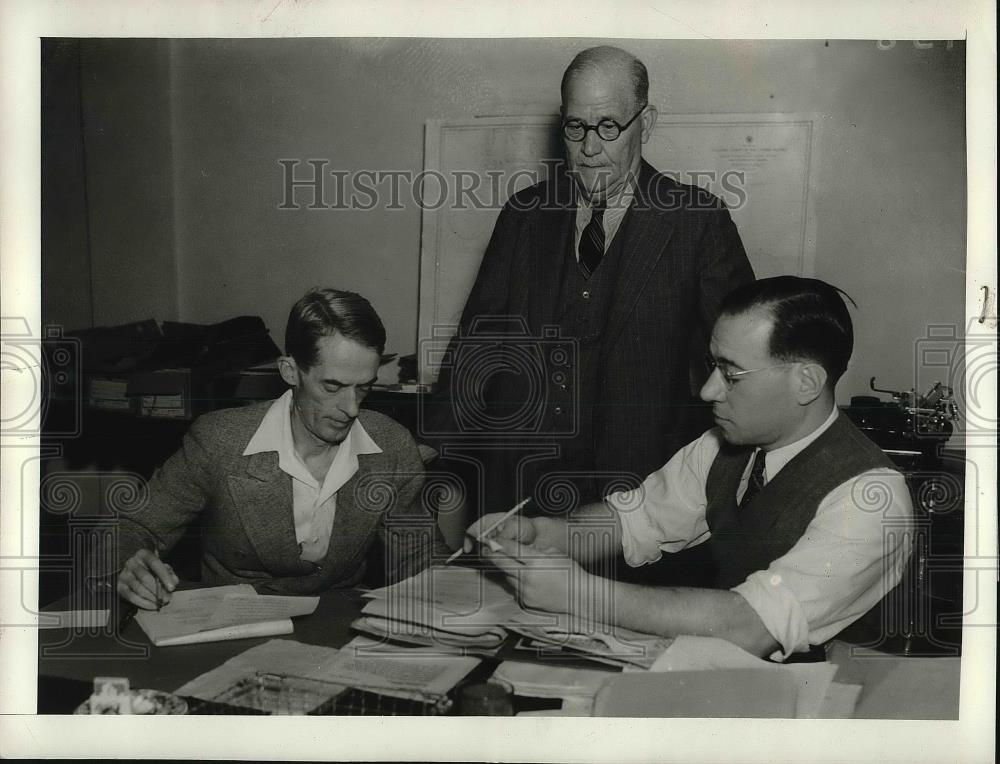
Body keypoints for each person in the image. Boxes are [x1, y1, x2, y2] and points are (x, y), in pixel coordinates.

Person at [465, 277, 913, 660]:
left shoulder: (869, 498)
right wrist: (540, 536)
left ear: (807, 382)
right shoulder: (723, 446)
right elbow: (633, 519)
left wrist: (582, 595)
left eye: (731, 373)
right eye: (712, 365)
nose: (708, 390)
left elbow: (752, 626)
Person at [429, 45, 754, 518]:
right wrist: (440, 454)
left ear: (646, 123)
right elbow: (475, 346)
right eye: (575, 126)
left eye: (608, 126)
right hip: (520, 487)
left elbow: (737, 362)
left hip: (641, 493)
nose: (589, 148)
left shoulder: (697, 221)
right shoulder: (524, 215)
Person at [106, 288, 447, 610]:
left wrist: (475, 569)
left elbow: (420, 557)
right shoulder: (219, 441)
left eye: (363, 388)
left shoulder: (391, 447)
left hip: (339, 629)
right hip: (232, 629)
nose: (352, 408)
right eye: (333, 386)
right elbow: (133, 527)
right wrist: (130, 563)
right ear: (290, 371)